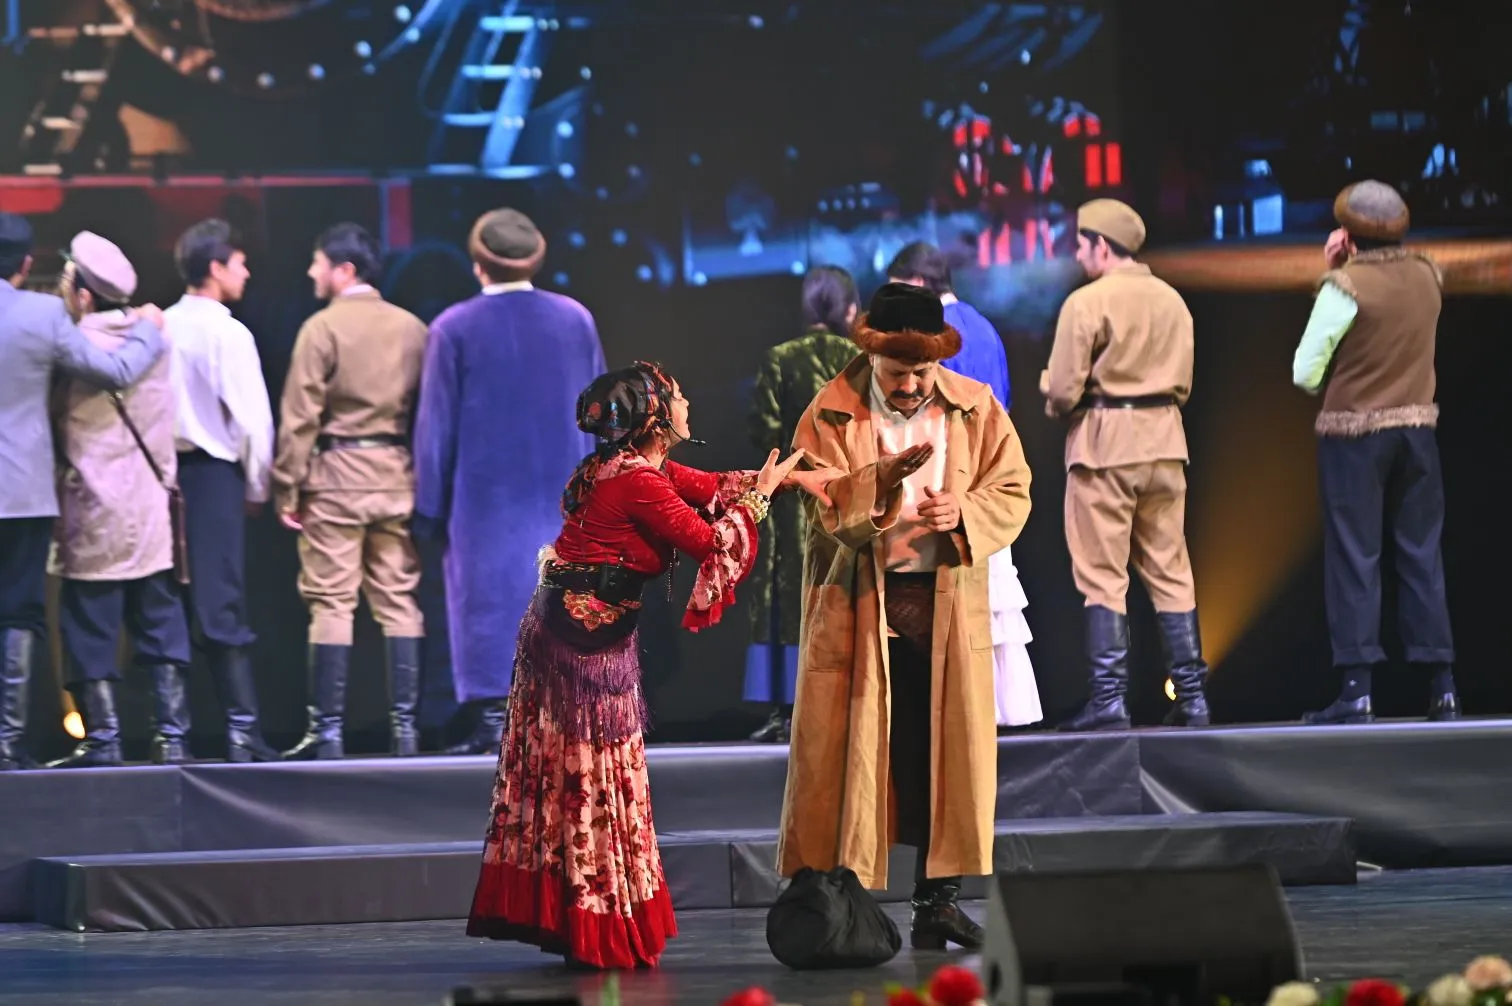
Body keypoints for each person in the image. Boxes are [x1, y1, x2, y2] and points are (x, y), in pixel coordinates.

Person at [466, 361, 825, 969]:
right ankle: (590, 919)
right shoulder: (635, 480)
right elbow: (711, 541)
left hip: (582, 633)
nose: (687, 403)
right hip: (580, 645)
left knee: (588, 777)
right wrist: (764, 497)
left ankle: (583, 915)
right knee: (587, 777)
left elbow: (711, 487)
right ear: (656, 417)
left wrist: (789, 480)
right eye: (678, 396)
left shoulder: (639, 467)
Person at [775, 283, 1033, 951]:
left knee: (942, 756)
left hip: (944, 603)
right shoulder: (831, 411)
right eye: (899, 372)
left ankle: (938, 903)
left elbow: (1013, 488)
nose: (914, 385)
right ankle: (839, 909)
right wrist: (880, 484)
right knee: (852, 757)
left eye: (924, 370)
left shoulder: (973, 406)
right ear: (872, 356)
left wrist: (964, 512)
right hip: (862, 604)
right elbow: (821, 506)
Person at [413, 207, 606, 756]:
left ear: (478, 263)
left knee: (486, 603)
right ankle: (563, 722)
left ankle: (495, 720)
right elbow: (604, 416)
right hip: (564, 494)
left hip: (482, 502)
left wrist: (428, 507)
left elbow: (435, 428)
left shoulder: (452, 327)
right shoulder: (575, 320)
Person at [0, 214, 165, 772]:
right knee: (18, 612)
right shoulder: (43, 314)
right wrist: (147, 328)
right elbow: (113, 370)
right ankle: (7, 742)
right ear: (26, 264)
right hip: (20, 489)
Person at [1291, 180, 1458, 724]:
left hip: (1355, 437)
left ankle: (1357, 691)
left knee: (1355, 557)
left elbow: (1305, 373)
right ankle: (1443, 688)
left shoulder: (1345, 287)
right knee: (1421, 554)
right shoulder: (1428, 275)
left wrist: (1334, 273)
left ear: (1347, 233)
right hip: (1418, 432)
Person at [1042, 198, 1210, 731]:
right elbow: (1184, 382)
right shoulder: (1173, 300)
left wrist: (1050, 388)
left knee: (1102, 576)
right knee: (1171, 570)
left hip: (1106, 445)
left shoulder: (1086, 302)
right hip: (1165, 443)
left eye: (1081, 244)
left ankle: (1109, 701)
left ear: (1101, 245)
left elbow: (1062, 392)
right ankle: (1193, 697)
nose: (1077, 254)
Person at [273, 222, 428, 759]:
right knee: (399, 601)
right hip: (396, 476)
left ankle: (328, 733)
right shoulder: (413, 328)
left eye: (318, 263)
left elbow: (299, 418)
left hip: (336, 478)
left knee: (332, 603)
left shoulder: (321, 328)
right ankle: (406, 731)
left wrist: (287, 487)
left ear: (343, 269)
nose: (311, 272)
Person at [45, 233, 193, 769]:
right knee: (159, 618)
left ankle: (103, 738)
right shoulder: (158, 335)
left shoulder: (69, 344)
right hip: (151, 506)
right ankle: (171, 736)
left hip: (92, 506)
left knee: (89, 624)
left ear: (83, 294)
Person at [887, 241, 1041, 729]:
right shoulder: (987, 328)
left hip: (945, 478)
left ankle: (961, 707)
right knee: (993, 595)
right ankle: (1001, 705)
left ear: (917, 283)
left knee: (954, 600)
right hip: (987, 476)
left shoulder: (936, 336)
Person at [165, 218, 279, 762]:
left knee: (167, 600)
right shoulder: (228, 332)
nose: (246, 272)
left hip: (161, 475)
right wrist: (258, 486)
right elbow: (253, 422)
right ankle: (241, 731)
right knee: (221, 598)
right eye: (239, 262)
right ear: (215, 268)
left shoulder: (160, 325)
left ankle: (172, 735)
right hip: (214, 475)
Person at [743, 264, 860, 743]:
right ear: (850, 308)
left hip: (793, 500)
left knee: (788, 597)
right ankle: (848, 702)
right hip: (850, 497)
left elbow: (764, 433)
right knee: (849, 591)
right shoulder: (861, 360)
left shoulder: (780, 358)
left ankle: (786, 710)